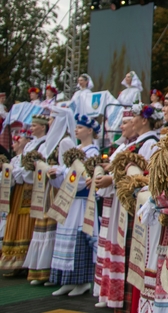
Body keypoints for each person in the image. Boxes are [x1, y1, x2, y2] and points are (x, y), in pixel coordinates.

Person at [94, 102, 162, 310]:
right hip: (122, 201)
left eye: (133, 118)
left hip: (133, 201)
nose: (130, 122)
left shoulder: (150, 143)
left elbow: (142, 177)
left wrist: (112, 180)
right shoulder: (136, 143)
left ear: (144, 120)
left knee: (130, 249)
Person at [47, 113, 99, 297]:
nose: (76, 130)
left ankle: (82, 280)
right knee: (64, 237)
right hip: (69, 201)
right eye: (76, 127)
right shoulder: (75, 150)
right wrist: (56, 175)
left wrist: (65, 174)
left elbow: (83, 180)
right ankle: (66, 279)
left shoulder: (93, 152)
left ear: (90, 130)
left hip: (81, 202)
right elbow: (67, 176)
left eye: (81, 127)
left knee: (79, 238)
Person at [24, 106, 77, 285]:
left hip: (57, 190)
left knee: (53, 229)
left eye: (52, 119)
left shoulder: (65, 142)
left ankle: (50, 272)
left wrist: (53, 170)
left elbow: (69, 168)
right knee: (44, 227)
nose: (49, 123)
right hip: (48, 189)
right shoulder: (52, 141)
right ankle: (41, 270)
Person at [0, 124, 35, 276]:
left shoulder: (28, 158)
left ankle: (24, 262)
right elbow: (12, 179)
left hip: (28, 194)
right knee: (14, 223)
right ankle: (13, 262)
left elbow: (26, 176)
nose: (14, 144)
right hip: (16, 196)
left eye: (17, 140)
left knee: (26, 224)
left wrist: (12, 172)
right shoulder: (14, 160)